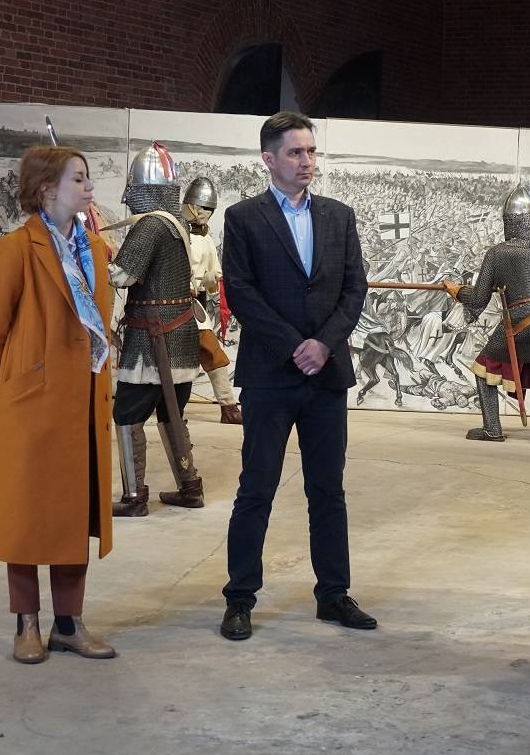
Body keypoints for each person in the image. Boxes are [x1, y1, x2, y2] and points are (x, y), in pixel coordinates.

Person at [218, 111, 374, 640]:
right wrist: (294, 347)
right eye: (295, 152)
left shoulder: (338, 216)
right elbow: (241, 292)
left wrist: (323, 344)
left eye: (311, 151)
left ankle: (333, 595)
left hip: (326, 376)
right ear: (269, 159)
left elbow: (354, 288)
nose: (307, 161)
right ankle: (240, 598)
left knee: (328, 490)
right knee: (256, 489)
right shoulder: (244, 218)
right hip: (269, 376)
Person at [0, 145, 116, 663]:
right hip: (32, 406)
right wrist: (6, 395)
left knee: (75, 512)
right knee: (27, 513)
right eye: (78, 178)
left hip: (86, 402)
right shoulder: (17, 248)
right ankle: (26, 622)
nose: (89, 186)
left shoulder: (94, 248)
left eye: (87, 177)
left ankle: (69, 623)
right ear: (46, 189)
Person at [108, 144, 204, 516]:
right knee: (171, 414)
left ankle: (134, 498)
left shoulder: (150, 225)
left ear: (141, 189)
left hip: (153, 342)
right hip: (178, 337)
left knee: (127, 414)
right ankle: (190, 487)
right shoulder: (177, 224)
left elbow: (122, 276)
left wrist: (94, 254)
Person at [441, 185, 530, 441]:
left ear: (510, 221)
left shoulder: (498, 253)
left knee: (483, 370)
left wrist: (456, 291)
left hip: (519, 323)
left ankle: (492, 429)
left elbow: (477, 300)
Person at [182, 176, 242, 425]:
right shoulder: (174, 232)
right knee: (171, 362)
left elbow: (213, 279)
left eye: (209, 208)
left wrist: (209, 280)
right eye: (201, 207)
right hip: (167, 303)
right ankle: (170, 412)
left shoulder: (206, 239)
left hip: (193, 303)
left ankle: (228, 406)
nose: (204, 212)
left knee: (213, 353)